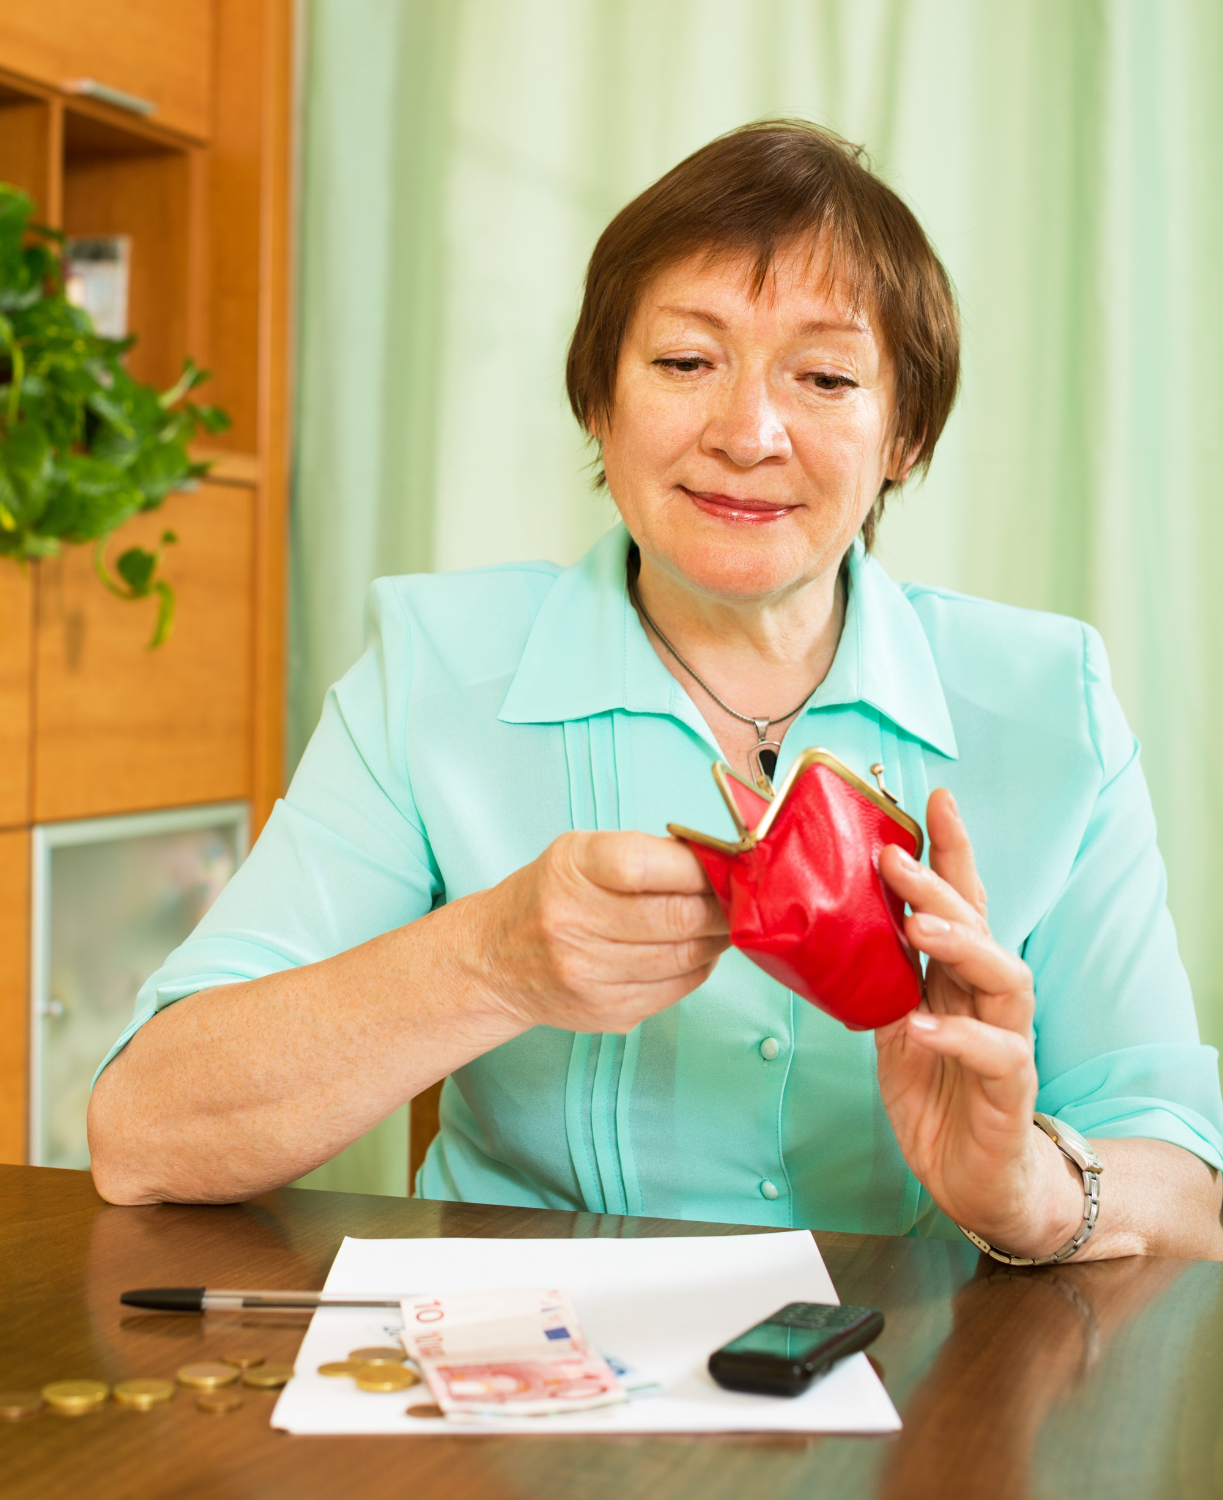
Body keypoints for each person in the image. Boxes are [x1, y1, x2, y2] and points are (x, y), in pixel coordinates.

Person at [89, 121, 1223, 1263]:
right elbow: (144, 1134)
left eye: (825, 377)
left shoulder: (1046, 700)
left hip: (934, 1396)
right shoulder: (436, 665)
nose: (747, 433)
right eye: (685, 362)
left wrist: (1025, 1190)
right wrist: (484, 959)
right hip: (517, 1396)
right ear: (598, 401)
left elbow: (1183, 1192)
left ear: (904, 437)